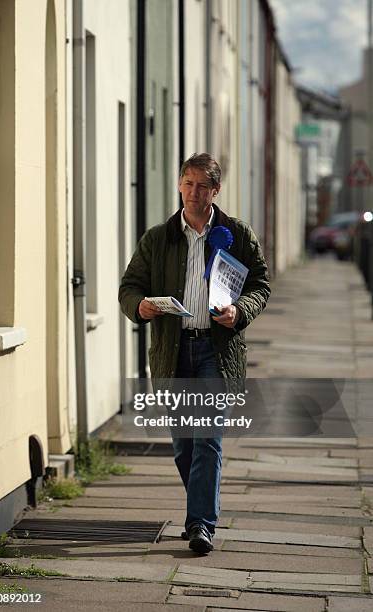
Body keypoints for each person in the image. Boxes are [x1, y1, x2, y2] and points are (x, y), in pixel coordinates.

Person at [119, 153, 270, 553]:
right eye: (187, 183)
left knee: (207, 438)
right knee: (184, 443)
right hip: (173, 352)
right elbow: (129, 286)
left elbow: (261, 285)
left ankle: (201, 524)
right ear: (179, 185)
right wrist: (141, 306)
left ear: (215, 190)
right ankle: (201, 508)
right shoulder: (159, 237)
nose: (192, 192)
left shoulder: (236, 233)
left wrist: (241, 310)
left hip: (215, 351)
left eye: (202, 185)